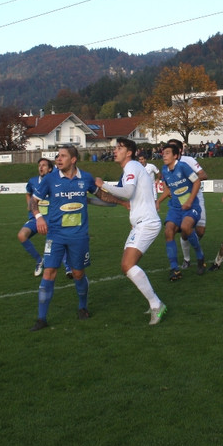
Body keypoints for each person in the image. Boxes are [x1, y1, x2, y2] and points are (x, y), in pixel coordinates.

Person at [28, 145, 113, 331]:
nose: (58, 159)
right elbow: (33, 202)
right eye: (57, 156)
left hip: (79, 237)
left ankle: (83, 307)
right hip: (55, 235)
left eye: (63, 156)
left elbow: (103, 197)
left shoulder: (86, 178)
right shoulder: (50, 179)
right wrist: (39, 217)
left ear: (73, 159)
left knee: (78, 274)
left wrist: (124, 201)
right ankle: (42, 319)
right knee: (49, 273)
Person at [95, 137, 167, 325]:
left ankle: (156, 304)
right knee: (127, 266)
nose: (115, 151)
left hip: (147, 223)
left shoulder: (132, 166)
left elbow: (125, 193)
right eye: (115, 148)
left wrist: (103, 184)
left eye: (119, 148)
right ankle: (154, 302)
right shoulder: (131, 169)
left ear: (129, 153)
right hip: (140, 224)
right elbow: (120, 197)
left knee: (127, 266)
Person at [156, 142, 206, 279]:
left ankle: (200, 257)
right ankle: (174, 269)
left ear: (176, 155)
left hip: (191, 206)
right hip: (175, 207)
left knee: (186, 227)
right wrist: (158, 201)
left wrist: (189, 201)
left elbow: (197, 182)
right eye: (163, 153)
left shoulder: (183, 167)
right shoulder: (164, 170)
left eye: (167, 153)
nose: (164, 156)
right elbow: (168, 189)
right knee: (168, 231)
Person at [19, 158, 53, 277]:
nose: (41, 167)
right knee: (22, 236)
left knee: (52, 242)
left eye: (44, 165)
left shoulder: (55, 181)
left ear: (50, 169)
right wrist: (29, 205)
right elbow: (28, 193)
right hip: (35, 218)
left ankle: (68, 267)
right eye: (39, 165)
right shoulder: (33, 181)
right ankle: (39, 260)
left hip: (51, 218)